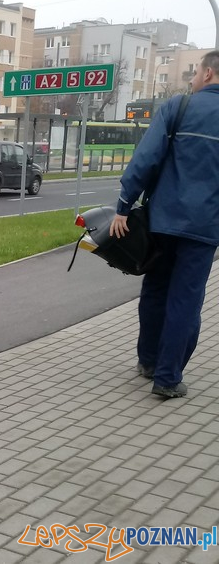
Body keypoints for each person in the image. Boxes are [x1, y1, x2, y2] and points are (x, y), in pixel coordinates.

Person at [108, 50, 219, 399]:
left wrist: (124, 206)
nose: (194, 78)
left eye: (197, 72)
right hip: (205, 229)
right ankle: (168, 378)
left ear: (209, 73)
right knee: (186, 301)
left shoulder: (178, 108)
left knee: (155, 291)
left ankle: (149, 361)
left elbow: (146, 158)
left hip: (163, 221)